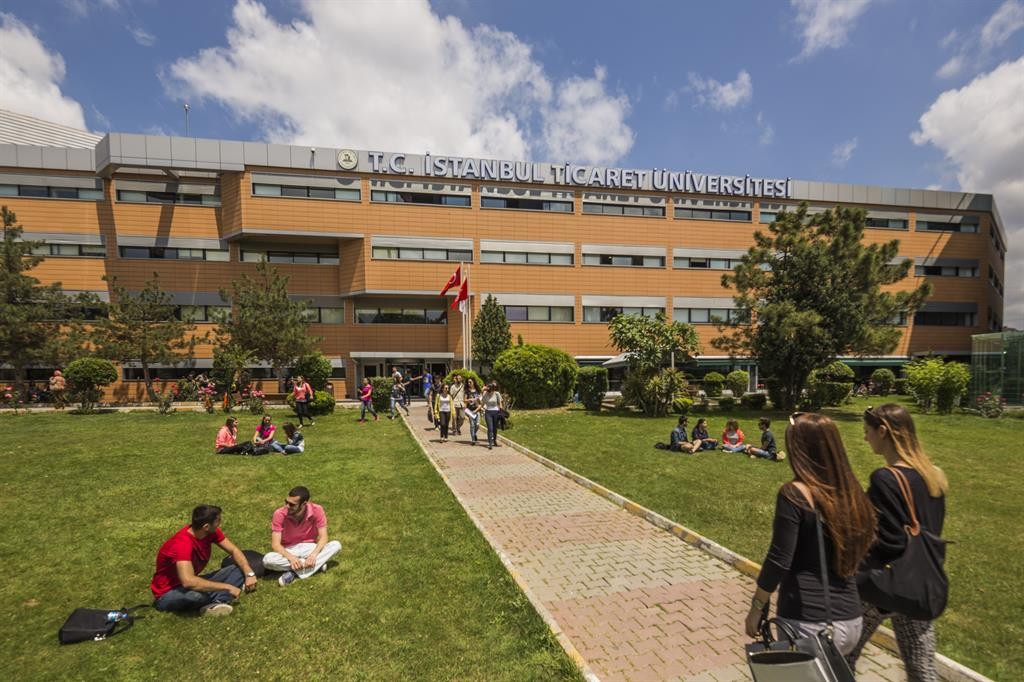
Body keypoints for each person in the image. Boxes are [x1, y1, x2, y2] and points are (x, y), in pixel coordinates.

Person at [745, 413, 877, 656]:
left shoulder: (794, 494)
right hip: (850, 619)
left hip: (808, 622)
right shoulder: (852, 493)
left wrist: (757, 606)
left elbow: (779, 559)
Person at [846, 404, 948, 680]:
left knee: (842, 657)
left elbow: (887, 542)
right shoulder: (934, 476)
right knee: (921, 668)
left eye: (867, 432)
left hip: (881, 586)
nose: (865, 438)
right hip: (918, 583)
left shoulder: (885, 478)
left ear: (883, 431)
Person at [150, 504, 258, 616]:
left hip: (192, 582)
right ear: (206, 526)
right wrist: (228, 587)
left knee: (238, 569)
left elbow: (234, 550)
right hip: (168, 594)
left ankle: (217, 601)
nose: (220, 523)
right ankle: (220, 598)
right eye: (218, 520)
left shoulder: (211, 533)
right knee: (196, 596)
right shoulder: (182, 544)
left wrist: (249, 573)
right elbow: (188, 581)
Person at [262, 486, 342, 586]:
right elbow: (275, 545)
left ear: (304, 504)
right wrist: (291, 558)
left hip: (309, 547)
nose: (287, 506)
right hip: (289, 550)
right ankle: (316, 566)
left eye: (292, 504)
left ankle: (294, 573)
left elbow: (324, 537)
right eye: (286, 502)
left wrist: (313, 555)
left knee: (336, 545)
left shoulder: (317, 510)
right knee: (267, 560)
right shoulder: (279, 514)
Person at [481, 382, 504, 450]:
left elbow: (500, 403)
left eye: (490, 391)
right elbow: (482, 403)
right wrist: (480, 409)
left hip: (496, 412)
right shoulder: (485, 394)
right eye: (488, 391)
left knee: (494, 428)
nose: (489, 392)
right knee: (490, 428)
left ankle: (494, 440)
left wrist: (501, 410)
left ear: (493, 390)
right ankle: (490, 443)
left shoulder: (497, 394)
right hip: (488, 412)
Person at [464, 377, 482, 445]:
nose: (469, 383)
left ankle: (474, 434)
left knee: (477, 425)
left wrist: (478, 399)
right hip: (470, 410)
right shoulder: (467, 391)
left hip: (477, 409)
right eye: (468, 382)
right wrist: (470, 400)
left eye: (470, 382)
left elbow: (481, 399)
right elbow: (464, 400)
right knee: (472, 425)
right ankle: (473, 440)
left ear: (473, 382)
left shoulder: (477, 390)